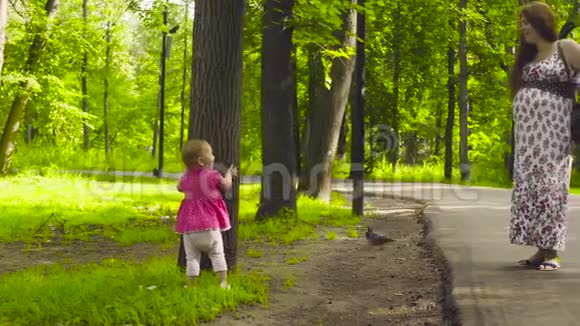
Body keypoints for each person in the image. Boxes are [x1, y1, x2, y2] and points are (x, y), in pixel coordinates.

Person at [510, 1, 580, 271]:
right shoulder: (527, 57)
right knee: (531, 190)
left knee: (551, 190)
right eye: (521, 23)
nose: (523, 27)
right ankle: (540, 250)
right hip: (528, 139)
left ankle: (552, 252)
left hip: (554, 136)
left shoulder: (566, 47)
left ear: (542, 22)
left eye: (527, 21)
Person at [176, 139, 237, 288]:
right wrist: (229, 173)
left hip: (189, 228)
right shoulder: (212, 175)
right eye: (210, 152)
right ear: (201, 161)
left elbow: (179, 187)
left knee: (191, 258)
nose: (213, 154)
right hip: (209, 226)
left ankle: (191, 285)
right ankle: (223, 283)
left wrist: (187, 173)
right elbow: (226, 185)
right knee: (217, 255)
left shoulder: (186, 178)